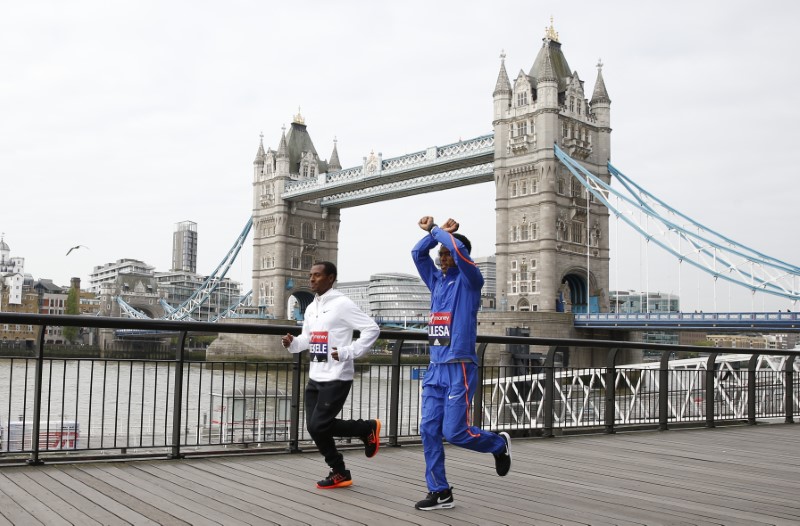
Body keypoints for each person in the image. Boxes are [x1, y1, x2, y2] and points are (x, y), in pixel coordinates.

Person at [411, 216, 511, 511]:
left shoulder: (471, 282)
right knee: (429, 430)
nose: (442, 258)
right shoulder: (437, 282)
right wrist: (432, 234)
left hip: (460, 367)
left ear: (459, 255)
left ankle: (497, 444)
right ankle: (439, 491)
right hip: (435, 368)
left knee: (454, 432)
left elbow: (456, 251)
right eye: (440, 254)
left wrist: (442, 233)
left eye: (446, 253)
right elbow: (417, 254)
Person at [281, 261, 381, 489]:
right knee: (314, 427)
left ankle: (364, 430)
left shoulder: (342, 304)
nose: (312, 279)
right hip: (316, 375)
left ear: (331, 278)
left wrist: (348, 351)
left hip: (337, 376)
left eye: (317, 275)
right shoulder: (310, 307)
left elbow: (372, 329)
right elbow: (307, 338)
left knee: (318, 426)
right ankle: (341, 471)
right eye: (310, 275)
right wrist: (293, 343)